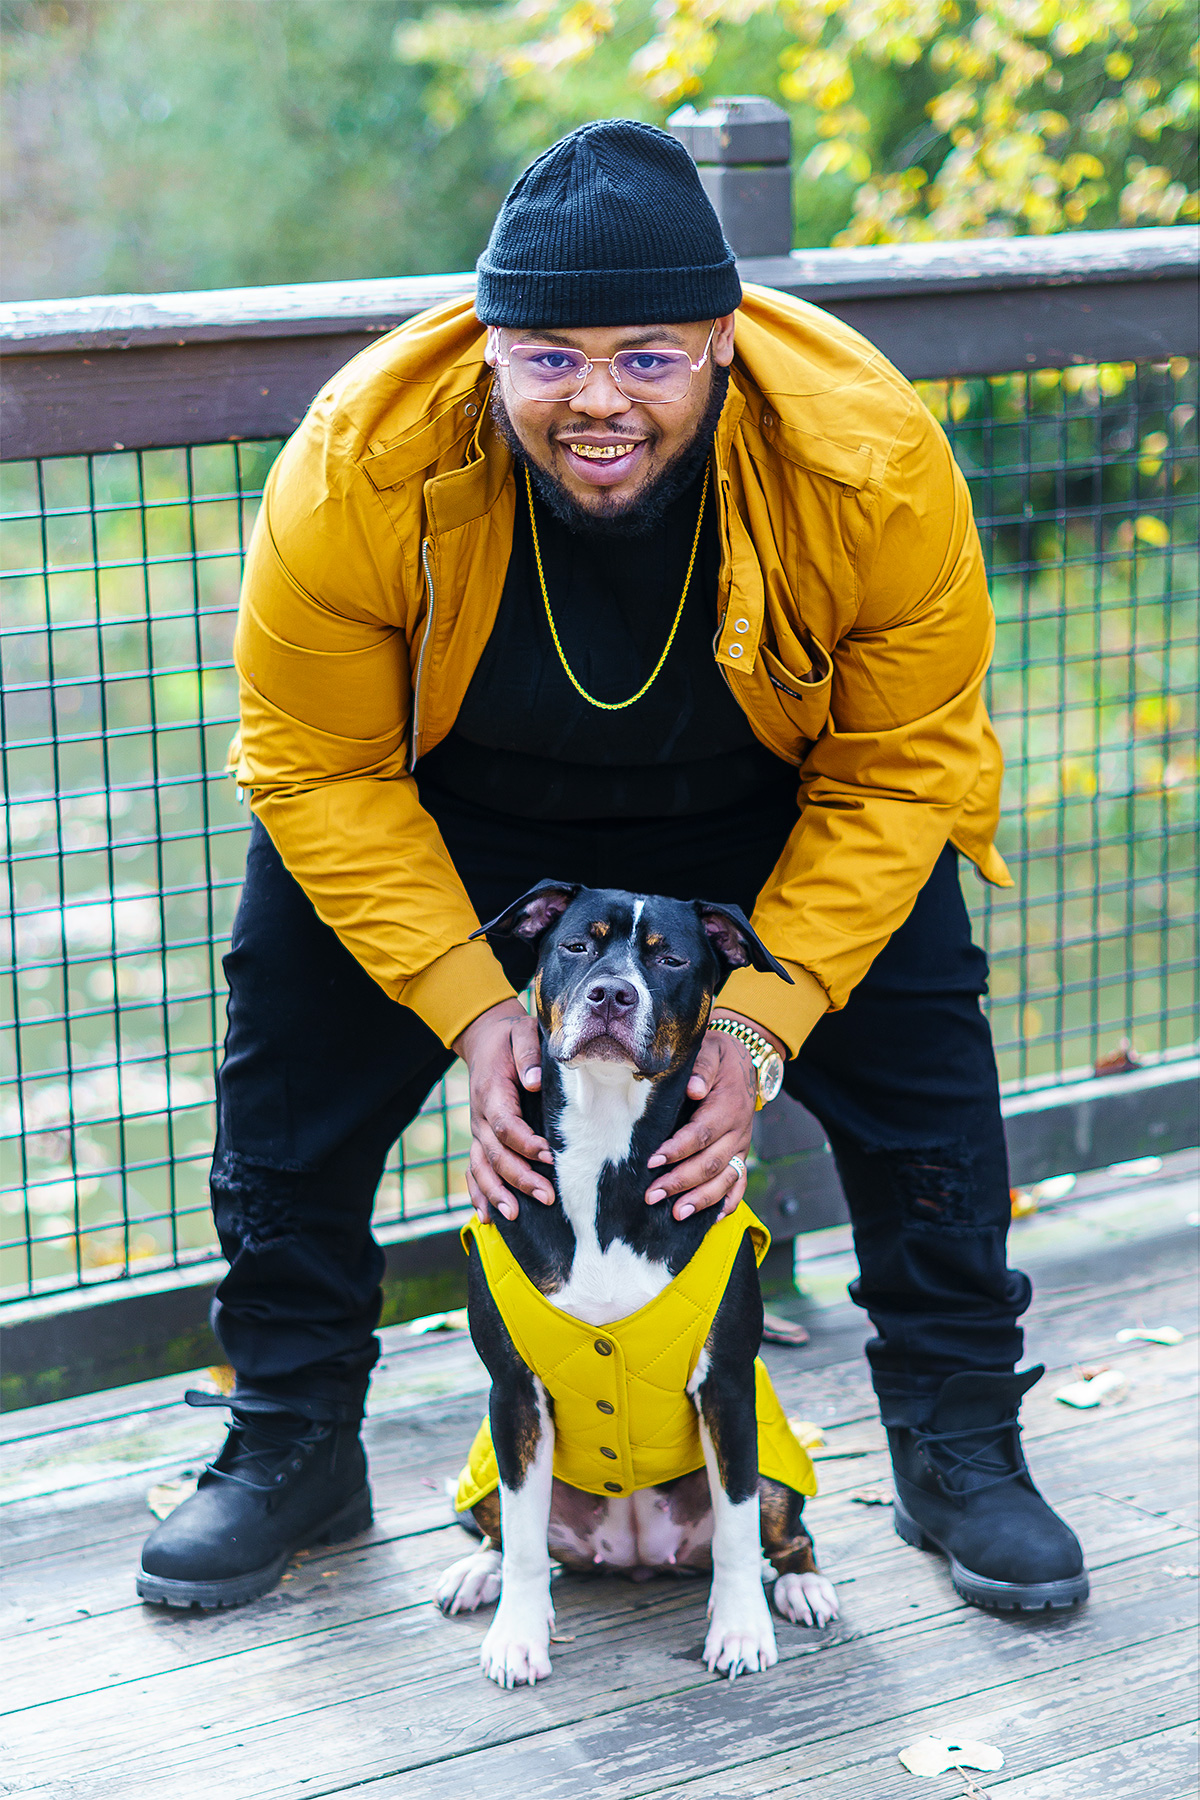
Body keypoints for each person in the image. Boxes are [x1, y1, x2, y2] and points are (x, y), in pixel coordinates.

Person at [138, 120, 1088, 1617]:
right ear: (486, 348)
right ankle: (293, 1436)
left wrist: (764, 1022)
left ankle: (959, 1439)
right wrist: (472, 1002)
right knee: (290, 1037)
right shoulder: (354, 462)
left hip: (770, 800)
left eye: (648, 359)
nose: (597, 400)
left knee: (920, 1043)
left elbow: (907, 765)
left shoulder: (871, 455)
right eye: (550, 360)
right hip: (454, 810)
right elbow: (316, 766)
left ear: (722, 343)